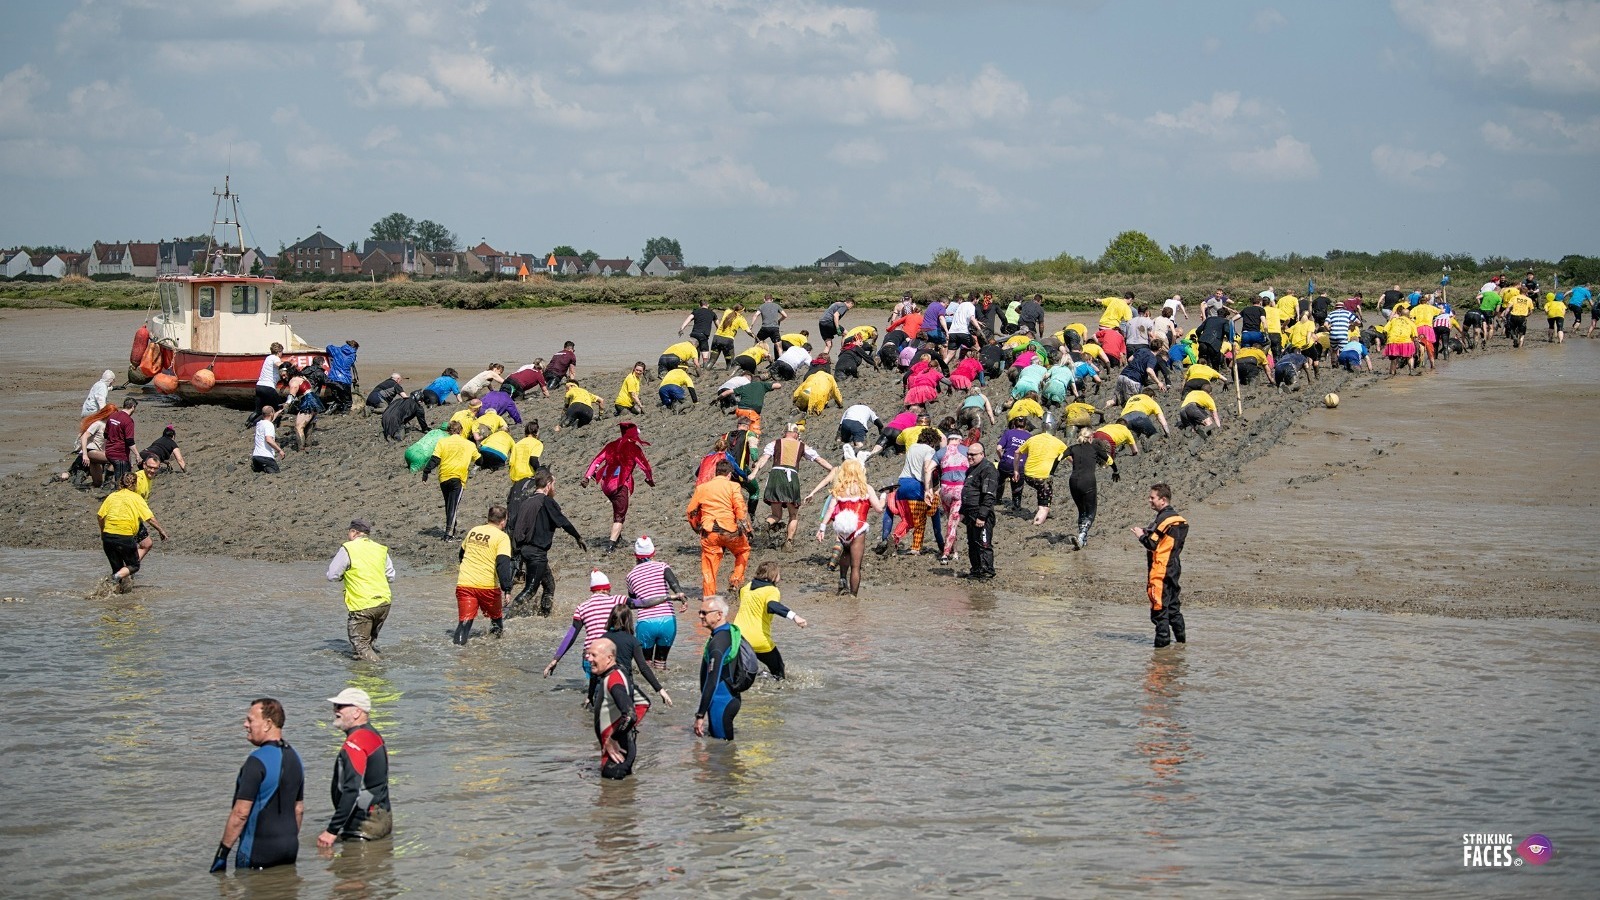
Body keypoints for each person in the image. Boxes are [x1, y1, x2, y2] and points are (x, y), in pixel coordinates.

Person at [211, 698, 303, 873]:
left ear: (268, 724)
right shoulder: (295, 757)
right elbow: (298, 809)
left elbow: (240, 814)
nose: (245, 725)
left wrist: (222, 854)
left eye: (250, 720)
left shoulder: (257, 760)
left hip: (258, 852)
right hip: (290, 850)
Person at [316, 688, 392, 847]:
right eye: (335, 705)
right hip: (381, 820)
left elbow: (352, 789)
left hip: (362, 828)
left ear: (357, 712)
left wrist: (332, 831)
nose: (335, 710)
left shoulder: (356, 741)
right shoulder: (372, 734)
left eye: (341, 706)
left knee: (349, 871)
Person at [508, 470, 587, 616]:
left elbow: (512, 524)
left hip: (526, 551)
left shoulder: (527, 501)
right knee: (530, 589)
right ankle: (507, 617)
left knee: (549, 585)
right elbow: (563, 521)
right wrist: (578, 537)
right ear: (548, 485)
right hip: (536, 552)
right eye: (554, 485)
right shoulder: (547, 501)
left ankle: (544, 615)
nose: (555, 489)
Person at [750, 423, 834, 547]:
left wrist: (754, 472)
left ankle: (767, 524)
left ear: (784, 433)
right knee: (793, 515)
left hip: (775, 477)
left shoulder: (775, 443)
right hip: (791, 479)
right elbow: (819, 459)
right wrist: (832, 469)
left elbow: (763, 459)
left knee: (776, 515)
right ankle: (788, 542)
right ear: (796, 433)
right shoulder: (802, 446)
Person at [812, 458, 885, 596]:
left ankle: (842, 579)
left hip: (842, 528)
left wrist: (822, 529)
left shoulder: (839, 489)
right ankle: (853, 597)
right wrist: (884, 497)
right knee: (856, 567)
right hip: (858, 528)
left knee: (845, 553)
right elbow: (879, 509)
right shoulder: (866, 488)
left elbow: (830, 509)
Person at [326, 518, 394, 662]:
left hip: (362, 605)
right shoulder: (381, 548)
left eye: (349, 533)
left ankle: (380, 668)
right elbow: (391, 576)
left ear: (354, 532)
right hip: (384, 604)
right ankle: (369, 680)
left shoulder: (348, 548)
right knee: (369, 644)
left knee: (360, 647)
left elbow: (332, 575)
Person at [584, 421, 655, 553]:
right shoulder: (634, 449)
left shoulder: (611, 445)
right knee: (619, 516)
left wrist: (587, 477)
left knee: (617, 506)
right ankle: (611, 545)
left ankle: (618, 537)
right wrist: (649, 479)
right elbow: (645, 466)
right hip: (619, 484)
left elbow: (596, 461)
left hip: (605, 485)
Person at [1132, 483, 1188, 648]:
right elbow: (1164, 538)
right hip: (1174, 566)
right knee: (1173, 608)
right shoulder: (1178, 519)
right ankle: (1181, 645)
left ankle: (1161, 657)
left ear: (1163, 500)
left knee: (1159, 610)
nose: (1150, 501)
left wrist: (1140, 536)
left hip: (1161, 568)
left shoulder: (1163, 519)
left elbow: (1152, 544)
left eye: (1152, 498)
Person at [686, 459, 752, 597]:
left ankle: (709, 598)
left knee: (709, 567)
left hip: (709, 532)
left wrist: (696, 526)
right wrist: (747, 529)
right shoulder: (733, 486)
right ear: (729, 474)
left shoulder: (702, 488)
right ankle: (735, 580)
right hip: (730, 530)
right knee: (743, 551)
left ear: (716, 473)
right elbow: (740, 508)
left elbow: (691, 510)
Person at [544, 570, 626, 679]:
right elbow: (642, 603)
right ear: (606, 589)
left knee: (593, 692)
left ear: (592, 590)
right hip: (609, 656)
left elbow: (571, 635)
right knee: (612, 690)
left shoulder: (582, 607)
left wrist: (556, 659)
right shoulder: (617, 600)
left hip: (590, 657)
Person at [732, 561, 807, 679]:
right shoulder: (771, 590)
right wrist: (795, 617)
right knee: (779, 671)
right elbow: (772, 606)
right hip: (759, 640)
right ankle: (777, 692)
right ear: (773, 576)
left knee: (743, 673)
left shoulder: (745, 588)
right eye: (778, 574)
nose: (780, 577)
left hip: (737, 638)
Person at [625, 535, 688, 671]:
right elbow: (674, 584)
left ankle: (648, 691)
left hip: (646, 623)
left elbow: (635, 600)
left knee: (646, 666)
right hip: (668, 621)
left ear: (635, 555)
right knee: (661, 665)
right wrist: (681, 597)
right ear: (653, 553)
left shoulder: (630, 576)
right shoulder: (662, 567)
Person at [453, 505, 514, 644]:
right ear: (503, 521)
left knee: (464, 623)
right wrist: (507, 588)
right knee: (496, 621)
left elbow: (462, 555)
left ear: (488, 518)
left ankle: (458, 656)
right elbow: (503, 564)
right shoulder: (502, 537)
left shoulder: (474, 531)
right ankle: (495, 653)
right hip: (487, 586)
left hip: (465, 584)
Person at [97, 471, 166, 592]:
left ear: (120, 483)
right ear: (135, 484)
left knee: (117, 568)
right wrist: (161, 531)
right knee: (134, 566)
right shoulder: (136, 498)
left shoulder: (112, 496)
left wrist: (103, 532)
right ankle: (114, 579)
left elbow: (100, 516)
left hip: (108, 536)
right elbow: (150, 518)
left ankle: (116, 598)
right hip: (124, 536)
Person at [587, 638, 644, 780]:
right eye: (588, 654)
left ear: (609, 658)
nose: (588, 659)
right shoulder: (619, 672)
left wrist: (613, 738)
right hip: (624, 748)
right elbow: (643, 702)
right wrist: (629, 730)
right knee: (623, 794)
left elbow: (630, 715)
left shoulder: (613, 680)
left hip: (617, 753)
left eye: (593, 655)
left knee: (610, 797)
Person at [420, 420, 479, 539]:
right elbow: (479, 460)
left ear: (449, 431)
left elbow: (435, 459)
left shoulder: (442, 442)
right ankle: (448, 533)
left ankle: (452, 527)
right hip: (458, 477)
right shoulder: (469, 444)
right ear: (461, 430)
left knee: (449, 504)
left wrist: (426, 472)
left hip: (444, 477)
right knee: (453, 505)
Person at [694, 596, 741, 740]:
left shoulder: (718, 643)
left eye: (704, 613)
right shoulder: (728, 632)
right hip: (728, 698)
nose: (701, 616)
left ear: (719, 614)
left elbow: (712, 681)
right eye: (700, 612)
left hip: (721, 703)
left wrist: (700, 715)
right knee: (722, 754)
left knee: (722, 754)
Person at [1065, 428, 1113, 549]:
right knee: (1091, 512)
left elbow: (1062, 456)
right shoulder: (1094, 448)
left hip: (1073, 482)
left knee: (1081, 511)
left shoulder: (1074, 448)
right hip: (1088, 482)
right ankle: (1081, 536)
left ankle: (1083, 540)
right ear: (1091, 438)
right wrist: (1115, 470)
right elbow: (1109, 460)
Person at [1013, 425, 1069, 526]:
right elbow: (1072, 457)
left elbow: (1017, 452)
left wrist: (1016, 470)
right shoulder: (1058, 442)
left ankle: (1041, 507)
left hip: (1028, 476)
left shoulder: (1032, 439)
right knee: (1045, 507)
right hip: (1043, 478)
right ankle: (1036, 524)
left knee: (1040, 490)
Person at [958, 441, 998, 578]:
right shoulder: (971, 469)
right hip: (970, 513)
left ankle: (987, 571)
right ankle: (976, 569)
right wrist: (962, 512)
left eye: (973, 455)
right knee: (972, 543)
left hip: (981, 513)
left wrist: (982, 516)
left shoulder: (988, 469)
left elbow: (989, 495)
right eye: (968, 454)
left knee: (983, 543)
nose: (969, 457)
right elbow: (967, 491)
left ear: (982, 454)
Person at [710, 305, 755, 370]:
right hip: (727, 340)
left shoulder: (727, 311)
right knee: (730, 362)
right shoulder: (741, 319)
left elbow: (728, 309)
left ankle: (703, 374)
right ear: (741, 311)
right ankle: (728, 375)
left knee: (711, 361)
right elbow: (748, 332)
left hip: (716, 338)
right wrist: (756, 338)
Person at [104, 397, 138, 482]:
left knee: (115, 467)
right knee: (121, 482)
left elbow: (105, 434)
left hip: (109, 452)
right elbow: (129, 441)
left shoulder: (112, 416)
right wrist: (137, 455)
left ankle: (105, 485)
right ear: (133, 407)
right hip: (120, 454)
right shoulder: (128, 420)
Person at [679, 297, 718, 367]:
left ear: (699, 305)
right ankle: (705, 364)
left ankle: (688, 362)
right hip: (703, 334)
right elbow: (718, 325)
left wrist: (681, 329)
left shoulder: (695, 311)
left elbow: (688, 320)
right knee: (704, 349)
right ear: (708, 305)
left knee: (693, 348)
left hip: (694, 334)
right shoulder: (712, 313)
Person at [324, 340, 359, 413]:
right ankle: (345, 413)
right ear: (355, 348)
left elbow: (328, 347)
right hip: (345, 379)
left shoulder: (337, 350)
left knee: (337, 398)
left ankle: (333, 409)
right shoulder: (353, 355)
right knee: (348, 401)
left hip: (333, 378)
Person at [253, 343, 286, 418]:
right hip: (268, 387)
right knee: (280, 407)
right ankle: (275, 424)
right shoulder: (275, 358)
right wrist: (288, 364)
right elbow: (278, 364)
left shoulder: (268, 358)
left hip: (259, 386)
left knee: (258, 411)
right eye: (282, 353)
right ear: (279, 352)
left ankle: (248, 424)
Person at [251, 405, 283, 473]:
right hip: (265, 456)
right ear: (271, 413)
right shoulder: (269, 425)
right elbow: (268, 439)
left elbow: (269, 419)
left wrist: (278, 412)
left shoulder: (259, 424)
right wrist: (279, 450)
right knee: (276, 474)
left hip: (256, 457)